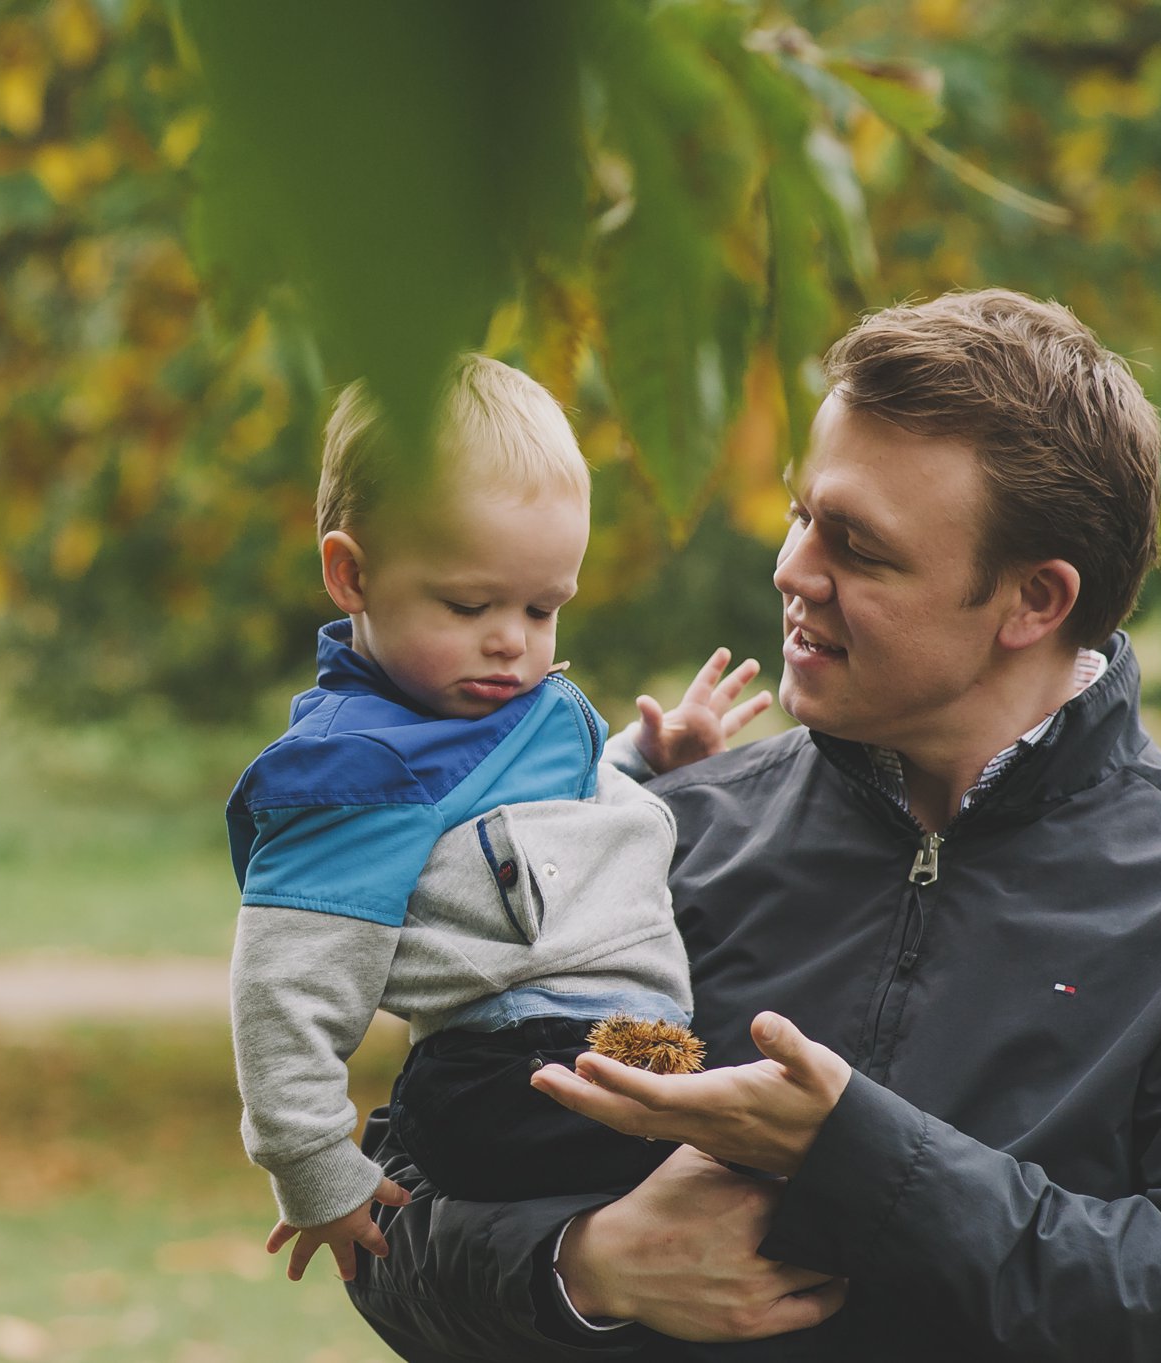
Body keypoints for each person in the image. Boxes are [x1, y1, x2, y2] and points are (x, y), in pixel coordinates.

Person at [345, 289, 1161, 1360]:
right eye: (802, 514)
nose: (790, 568)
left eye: (855, 545)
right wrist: (584, 1264)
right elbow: (389, 1212)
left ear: (1032, 600)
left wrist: (863, 1155)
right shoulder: (660, 833)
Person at [225, 356, 769, 1285]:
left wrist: (646, 763)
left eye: (543, 606)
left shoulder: (499, 708)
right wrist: (317, 1167)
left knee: (804, 1172)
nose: (511, 638)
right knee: (782, 1192)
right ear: (351, 574)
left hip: (626, 1047)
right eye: (470, 604)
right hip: (510, 1072)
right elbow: (284, 987)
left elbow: (530, 824)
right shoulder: (360, 770)